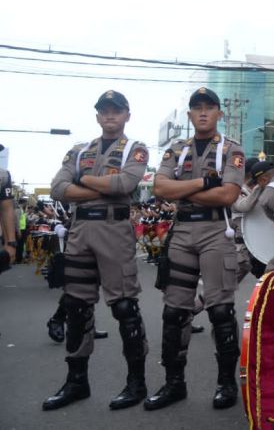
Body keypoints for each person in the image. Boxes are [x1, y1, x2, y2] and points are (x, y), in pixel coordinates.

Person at [42, 90, 150, 411]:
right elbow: (57, 188)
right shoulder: (79, 151)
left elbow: (125, 185)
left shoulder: (136, 149)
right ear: (98, 116)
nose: (110, 115)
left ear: (127, 114)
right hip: (79, 231)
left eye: (116, 110)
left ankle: (136, 382)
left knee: (124, 307)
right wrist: (98, 183)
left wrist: (84, 182)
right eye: (104, 111)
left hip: (113, 231)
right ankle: (77, 382)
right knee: (76, 307)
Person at [146, 87, 247, 411]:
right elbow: (160, 187)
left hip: (217, 230)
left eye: (209, 107)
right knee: (174, 312)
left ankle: (226, 383)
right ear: (189, 115)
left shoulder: (231, 149)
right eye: (197, 108)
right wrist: (204, 184)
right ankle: (174, 384)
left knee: (220, 311)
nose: (203, 112)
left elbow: (228, 195)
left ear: (219, 113)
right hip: (184, 231)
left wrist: (182, 191)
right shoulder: (176, 149)